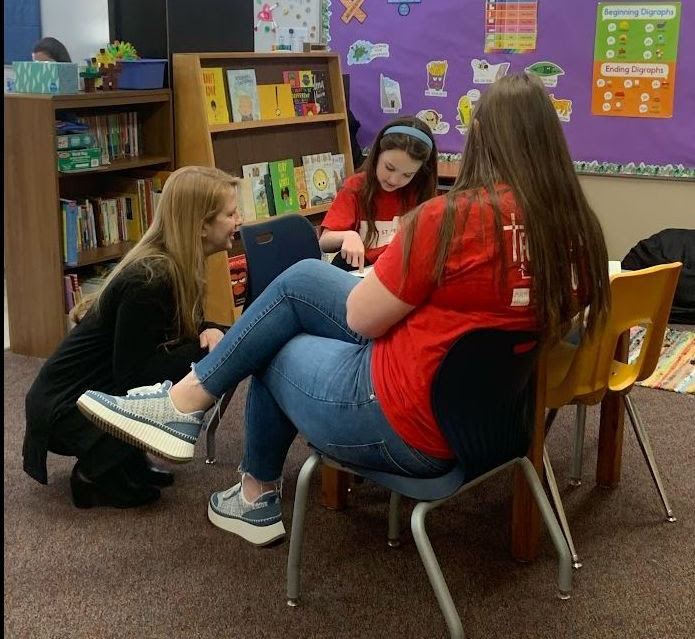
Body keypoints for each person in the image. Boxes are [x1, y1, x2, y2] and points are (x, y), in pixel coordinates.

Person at [76, 74, 610, 545]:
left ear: (482, 142)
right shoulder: (575, 227)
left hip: (405, 423)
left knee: (276, 333)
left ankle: (221, 452)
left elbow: (362, 320)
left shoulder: (450, 220)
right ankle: (202, 427)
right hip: (495, 424)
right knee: (301, 284)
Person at [23, 166, 243, 509]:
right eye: (230, 214)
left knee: (195, 358)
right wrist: (208, 352)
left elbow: (176, 331)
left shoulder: (176, 265)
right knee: (182, 373)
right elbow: (135, 373)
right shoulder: (149, 279)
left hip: (85, 391)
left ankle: (126, 461)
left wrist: (208, 331)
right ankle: (92, 474)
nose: (238, 220)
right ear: (201, 225)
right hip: (64, 410)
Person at [319, 116, 438, 271]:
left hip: (400, 273)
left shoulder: (420, 193)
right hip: (358, 270)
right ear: (377, 155)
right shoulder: (355, 187)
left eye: (407, 175)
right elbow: (324, 241)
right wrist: (348, 236)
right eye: (389, 167)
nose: (394, 180)